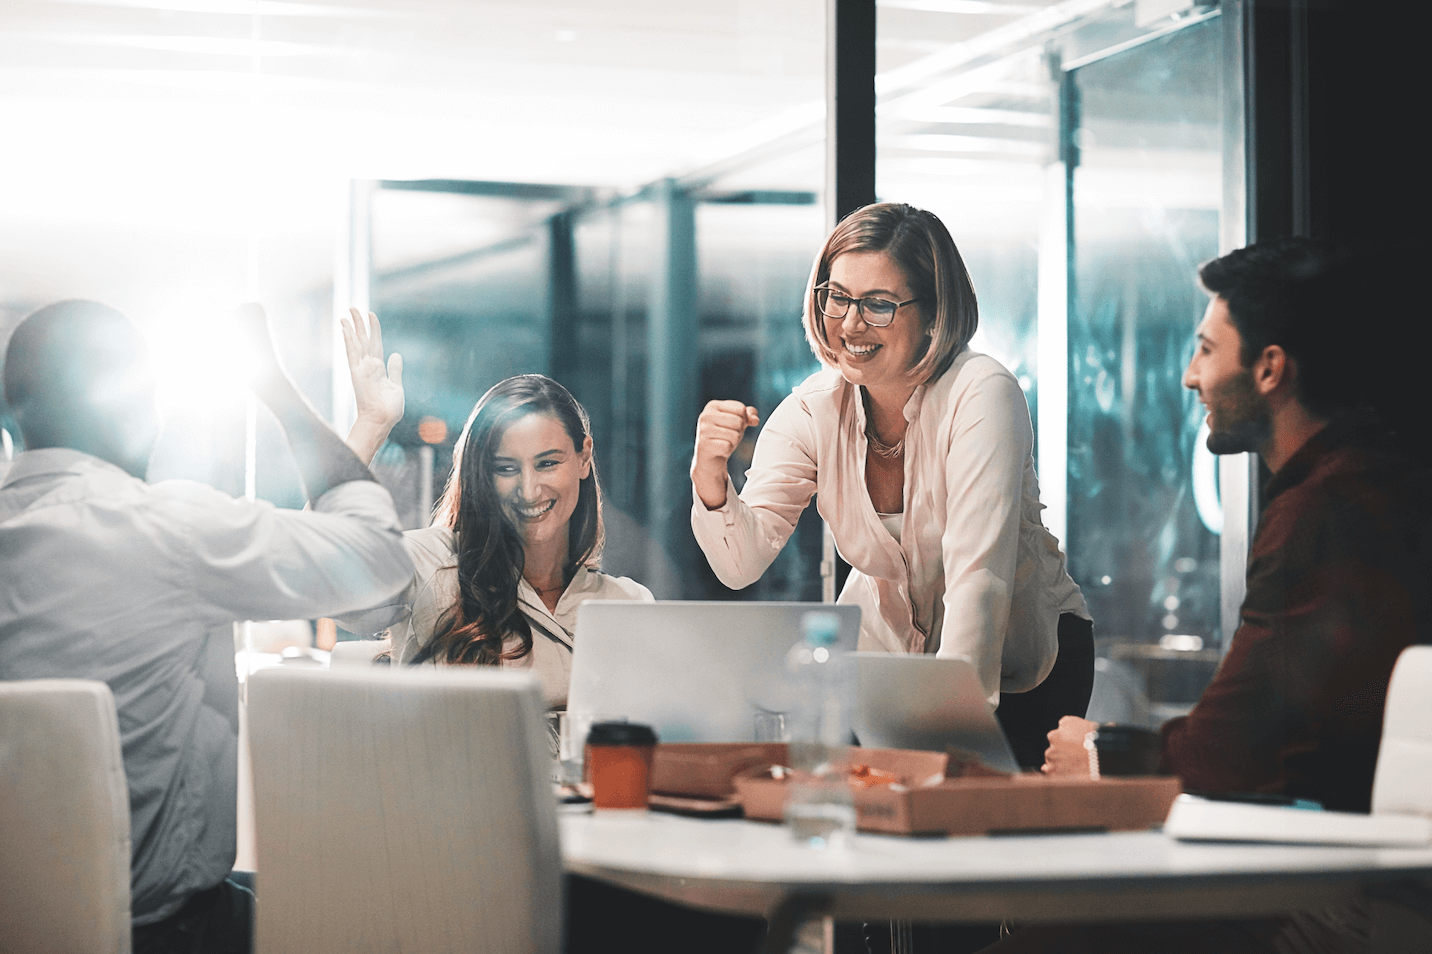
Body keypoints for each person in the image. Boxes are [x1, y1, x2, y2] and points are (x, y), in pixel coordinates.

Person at [1025, 239, 1432, 953]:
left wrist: (1099, 753)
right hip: (1352, 868)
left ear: (1269, 368)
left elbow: (1230, 756)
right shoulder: (1369, 482)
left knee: (1047, 929)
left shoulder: (1325, 510)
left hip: (1342, 896)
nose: (1190, 377)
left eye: (1207, 350)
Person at [0, 300, 413, 954]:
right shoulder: (166, 531)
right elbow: (379, 567)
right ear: (133, 407)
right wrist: (274, 387)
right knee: (368, 913)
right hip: (163, 934)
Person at [690, 203, 1093, 766]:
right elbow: (741, 564)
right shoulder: (812, 409)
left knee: (984, 831)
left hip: (1022, 658)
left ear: (934, 313)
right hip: (892, 660)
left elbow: (980, 579)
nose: (851, 324)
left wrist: (947, 740)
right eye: (838, 296)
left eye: (879, 305)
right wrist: (711, 477)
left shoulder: (982, 393)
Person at [336, 310, 652, 709]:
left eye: (548, 463)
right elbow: (317, 571)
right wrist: (371, 424)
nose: (529, 488)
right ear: (482, 474)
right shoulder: (432, 564)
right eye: (506, 468)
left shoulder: (627, 604)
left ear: (584, 457)